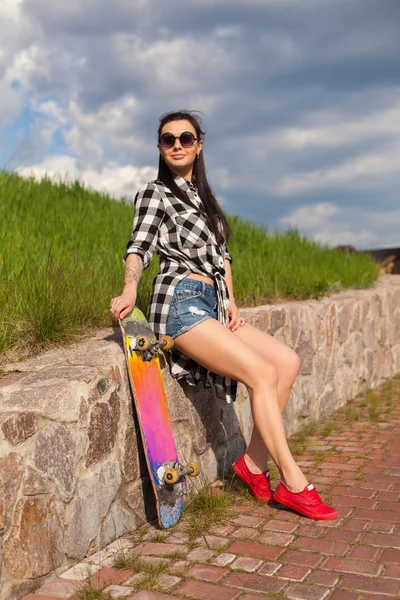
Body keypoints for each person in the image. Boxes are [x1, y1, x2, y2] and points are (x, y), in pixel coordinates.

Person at [110, 110, 338, 520]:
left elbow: (223, 257)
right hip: (179, 301)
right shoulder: (155, 193)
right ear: (160, 147)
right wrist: (130, 288)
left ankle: (251, 465)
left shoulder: (205, 200)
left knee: (287, 362)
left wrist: (231, 299)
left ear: (199, 145)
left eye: (185, 137)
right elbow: (139, 245)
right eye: (168, 139)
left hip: (213, 303)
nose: (177, 144)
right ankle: (293, 482)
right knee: (262, 375)